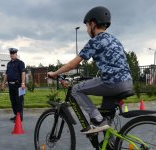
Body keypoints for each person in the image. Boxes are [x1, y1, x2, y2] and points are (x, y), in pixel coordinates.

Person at [48, 6, 133, 134]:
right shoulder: (115, 40)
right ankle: (110, 141)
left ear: (92, 24)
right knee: (107, 120)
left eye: (87, 26)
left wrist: (54, 73)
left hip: (113, 82)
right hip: (127, 82)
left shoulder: (95, 41)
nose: (87, 29)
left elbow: (73, 64)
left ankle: (98, 120)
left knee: (76, 89)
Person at [1, 48, 26, 122]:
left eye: (13, 54)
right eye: (11, 54)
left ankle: (19, 117)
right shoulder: (9, 64)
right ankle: (16, 115)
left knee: (19, 101)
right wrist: (3, 83)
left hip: (18, 85)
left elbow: (23, 73)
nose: (12, 55)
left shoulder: (20, 63)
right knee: (13, 101)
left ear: (16, 54)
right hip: (11, 85)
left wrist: (23, 83)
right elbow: (6, 74)